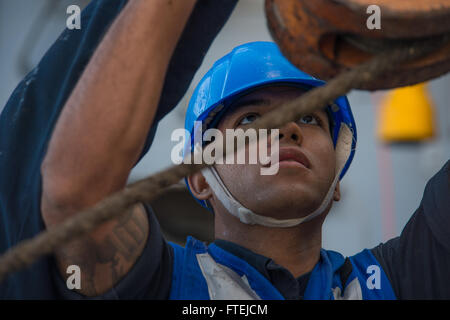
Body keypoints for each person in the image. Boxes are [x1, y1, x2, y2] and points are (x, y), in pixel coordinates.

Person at [0, 0, 449, 300]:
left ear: (336, 180)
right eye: (251, 119)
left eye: (311, 118)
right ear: (199, 177)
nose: (289, 129)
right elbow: (75, 193)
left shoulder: (399, 280)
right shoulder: (164, 283)